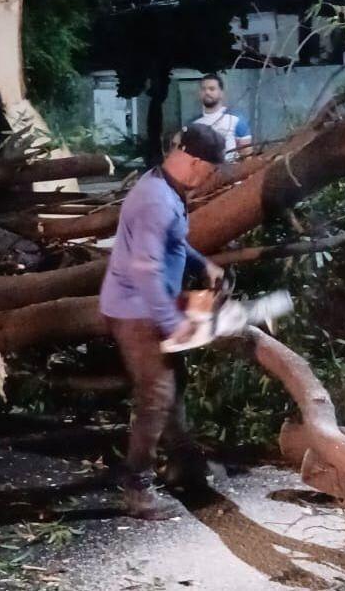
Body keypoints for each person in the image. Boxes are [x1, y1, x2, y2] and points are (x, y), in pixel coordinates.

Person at [99, 123, 226, 520]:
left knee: (175, 384)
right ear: (193, 161)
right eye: (207, 174)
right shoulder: (155, 200)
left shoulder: (163, 185)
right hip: (138, 311)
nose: (206, 182)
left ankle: (183, 463)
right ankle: (137, 486)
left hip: (148, 303)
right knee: (156, 396)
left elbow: (174, 240)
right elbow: (146, 270)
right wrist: (172, 324)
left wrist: (202, 264)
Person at [192, 73, 253, 162]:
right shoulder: (194, 124)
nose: (207, 92)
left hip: (230, 173)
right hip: (203, 173)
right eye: (203, 89)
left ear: (221, 93)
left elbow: (247, 157)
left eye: (212, 89)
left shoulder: (236, 120)